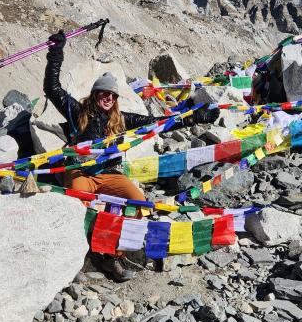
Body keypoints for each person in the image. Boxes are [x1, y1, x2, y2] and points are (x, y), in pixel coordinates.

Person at [44, 29, 217, 281]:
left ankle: (111, 255)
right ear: (95, 93)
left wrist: (194, 117)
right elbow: (52, 87)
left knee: (137, 203)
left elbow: (159, 123)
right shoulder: (75, 110)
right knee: (80, 206)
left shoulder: (122, 120)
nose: (108, 97)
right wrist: (56, 52)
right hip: (79, 170)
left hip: (108, 174)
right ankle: (76, 258)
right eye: (104, 92)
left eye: (112, 95)